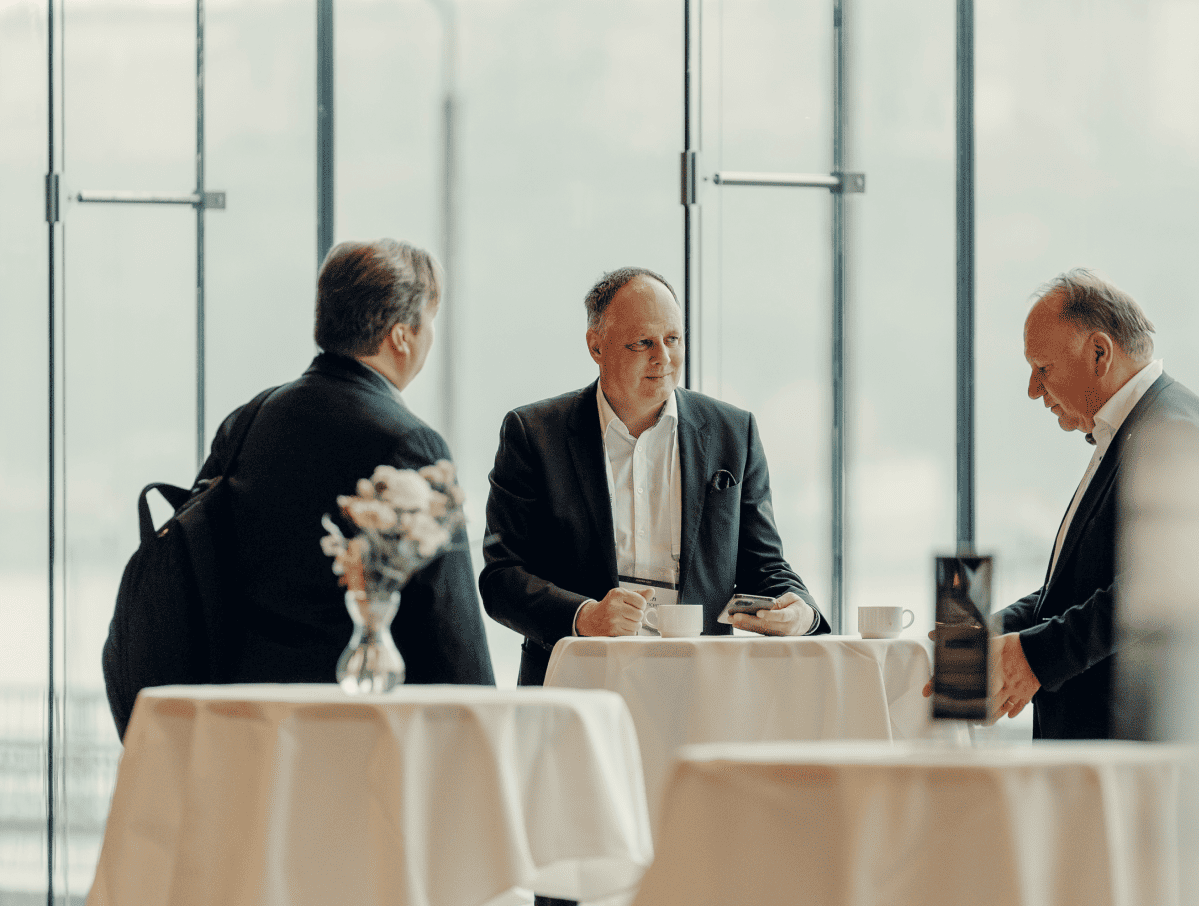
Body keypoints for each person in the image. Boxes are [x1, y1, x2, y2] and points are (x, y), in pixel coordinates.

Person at [961, 268, 1199, 759]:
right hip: (1134, 756)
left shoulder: (1174, 429)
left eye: (1042, 368)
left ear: (1099, 353)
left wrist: (1037, 656)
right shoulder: (1140, 427)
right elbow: (1083, 587)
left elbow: (1164, 588)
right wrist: (994, 631)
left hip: (1162, 759)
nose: (1033, 390)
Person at [481, 267, 827, 686]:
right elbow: (501, 578)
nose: (663, 358)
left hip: (704, 687)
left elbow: (765, 565)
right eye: (643, 342)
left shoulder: (734, 433)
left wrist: (803, 613)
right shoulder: (533, 434)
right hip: (576, 684)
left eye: (673, 339)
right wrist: (584, 616)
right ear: (596, 345)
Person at [197, 238, 494, 686]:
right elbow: (450, 631)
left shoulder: (247, 420)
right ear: (401, 335)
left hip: (238, 699)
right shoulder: (410, 442)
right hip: (352, 706)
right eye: (430, 320)